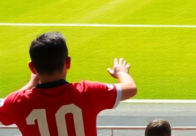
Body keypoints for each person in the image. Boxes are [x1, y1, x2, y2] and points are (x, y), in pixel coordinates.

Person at [0, 32, 138, 136]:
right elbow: (130, 88)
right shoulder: (88, 92)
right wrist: (121, 72)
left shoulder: (17, 102)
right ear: (68, 62)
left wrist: (30, 84)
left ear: (32, 67)